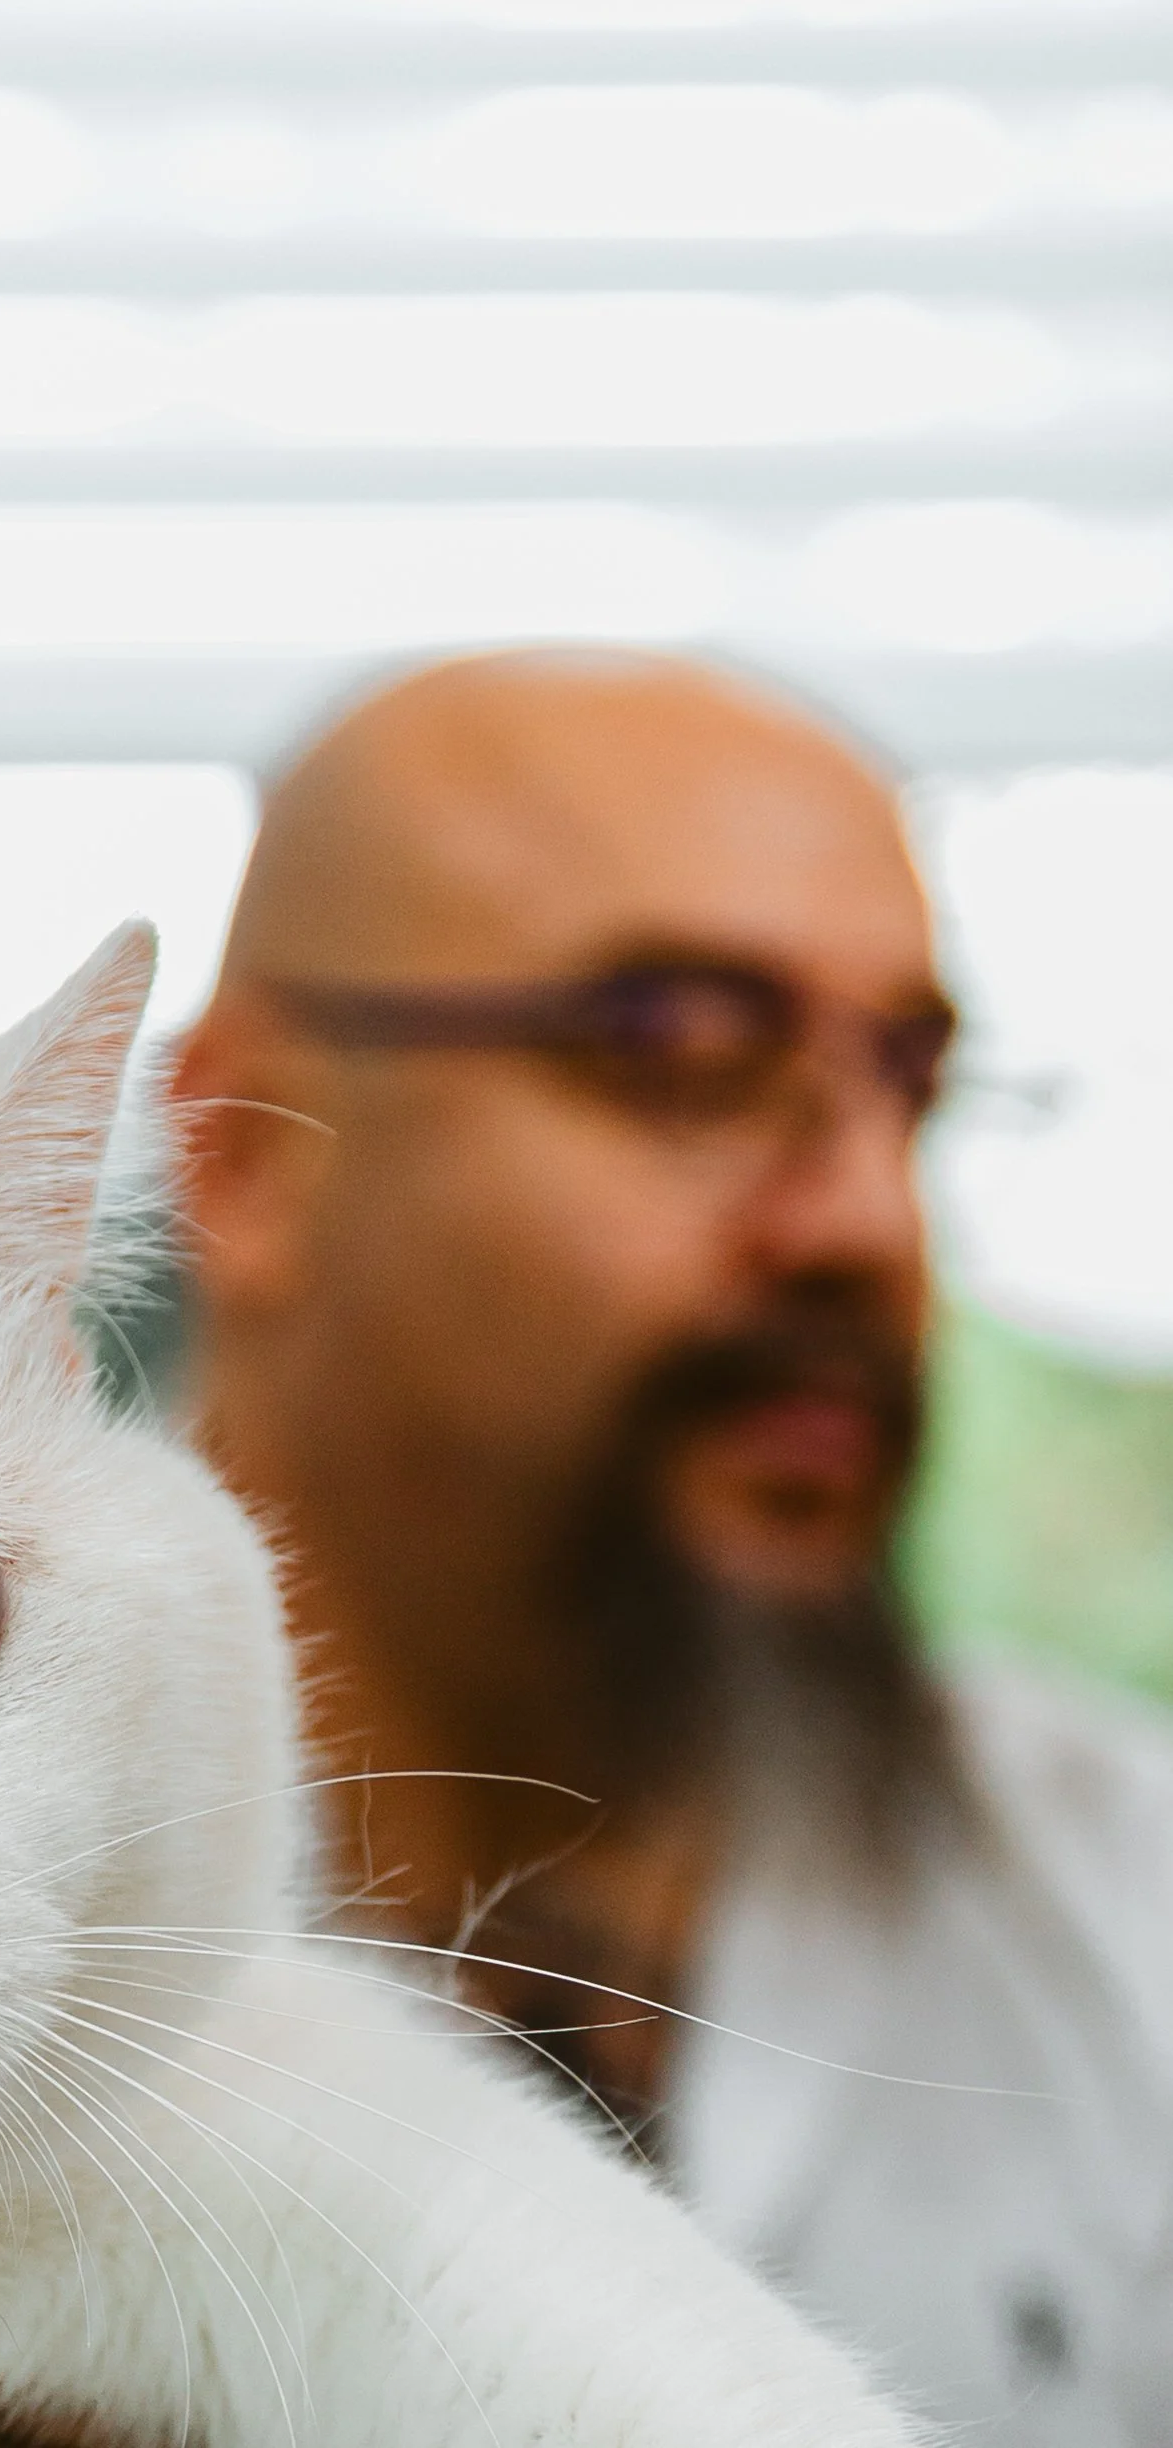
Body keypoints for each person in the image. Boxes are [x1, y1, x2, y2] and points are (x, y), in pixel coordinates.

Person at [168, 648, 1173, 2446]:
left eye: (911, 1085)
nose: (868, 1218)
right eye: (688, 1059)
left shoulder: (1125, 1912)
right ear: (242, 1152)